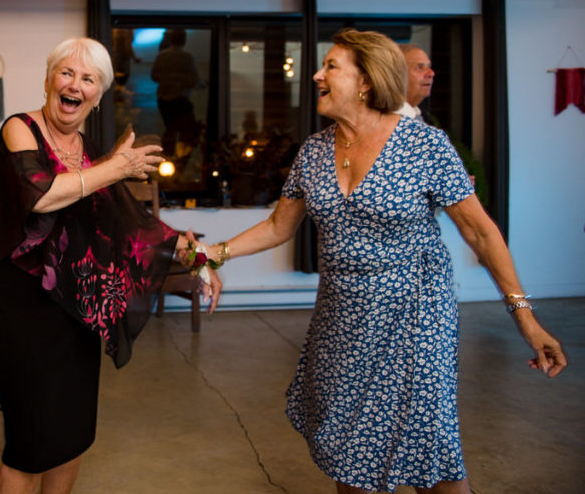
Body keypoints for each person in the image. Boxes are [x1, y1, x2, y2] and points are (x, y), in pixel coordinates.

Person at [198, 29, 565, 494]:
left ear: (366, 81)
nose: (317, 74)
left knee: (432, 453)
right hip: (341, 323)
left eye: (330, 66)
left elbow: (480, 231)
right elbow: (279, 226)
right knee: (348, 455)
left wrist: (526, 321)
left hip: (416, 321)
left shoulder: (426, 146)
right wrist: (215, 253)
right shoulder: (314, 151)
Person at [0, 37, 222, 494]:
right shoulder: (19, 128)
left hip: (74, 302)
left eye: (88, 79)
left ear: (98, 95)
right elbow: (42, 194)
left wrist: (195, 254)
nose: (74, 85)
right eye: (66, 73)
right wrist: (116, 167)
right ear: (49, 80)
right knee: (29, 442)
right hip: (18, 302)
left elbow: (127, 224)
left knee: (72, 432)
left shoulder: (87, 152)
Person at [150, 28, 200, 159]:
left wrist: (168, 80)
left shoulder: (162, 56)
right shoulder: (187, 57)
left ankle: (167, 157)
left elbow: (154, 76)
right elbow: (193, 80)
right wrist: (179, 81)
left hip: (164, 99)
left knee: (170, 129)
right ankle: (179, 160)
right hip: (181, 99)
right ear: (184, 40)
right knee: (184, 132)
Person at [397, 43, 435, 120]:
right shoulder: (390, 122)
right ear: (396, 74)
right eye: (420, 67)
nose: (431, 73)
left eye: (429, 66)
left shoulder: (414, 115)